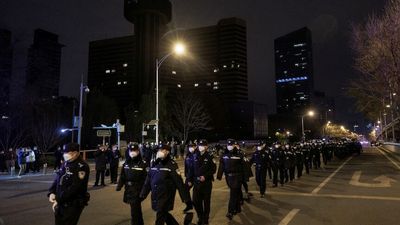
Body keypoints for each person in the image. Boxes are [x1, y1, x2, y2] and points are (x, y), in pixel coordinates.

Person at [140, 144, 192, 225]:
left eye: (162, 150)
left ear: (167, 152)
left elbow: (179, 183)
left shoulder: (171, 164)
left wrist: (186, 198)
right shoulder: (155, 163)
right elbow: (148, 180)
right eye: (159, 150)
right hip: (156, 195)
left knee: (160, 217)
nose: (160, 152)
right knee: (164, 215)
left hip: (166, 196)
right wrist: (143, 194)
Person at [48, 143, 90, 225]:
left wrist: (58, 199)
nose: (65, 155)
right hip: (62, 201)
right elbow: (58, 179)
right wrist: (52, 192)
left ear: (76, 153)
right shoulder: (65, 163)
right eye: (64, 153)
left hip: (73, 203)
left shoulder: (81, 166)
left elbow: (76, 187)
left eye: (68, 153)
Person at [116, 144, 148, 225]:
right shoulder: (127, 162)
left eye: (134, 151)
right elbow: (123, 175)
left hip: (137, 190)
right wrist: (119, 186)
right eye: (131, 151)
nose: (132, 152)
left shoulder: (142, 163)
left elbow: (146, 179)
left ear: (138, 151)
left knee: (134, 211)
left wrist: (144, 191)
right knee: (136, 210)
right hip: (129, 190)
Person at [217, 139, 247, 220]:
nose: (229, 146)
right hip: (228, 177)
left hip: (237, 177)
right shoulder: (224, 155)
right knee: (236, 192)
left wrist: (245, 178)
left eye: (231, 144)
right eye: (228, 145)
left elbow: (244, 167)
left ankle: (230, 211)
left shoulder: (239, 155)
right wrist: (219, 176)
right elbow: (221, 166)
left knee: (233, 194)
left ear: (234, 145)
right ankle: (237, 208)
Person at [187, 139, 216, 225]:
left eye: (202, 145)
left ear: (206, 147)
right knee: (195, 201)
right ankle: (200, 216)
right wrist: (189, 179)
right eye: (199, 145)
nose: (200, 147)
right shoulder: (195, 156)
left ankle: (205, 219)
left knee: (206, 202)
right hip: (196, 183)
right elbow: (191, 169)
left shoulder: (210, 156)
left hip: (206, 183)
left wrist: (206, 176)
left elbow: (213, 169)